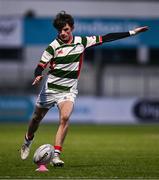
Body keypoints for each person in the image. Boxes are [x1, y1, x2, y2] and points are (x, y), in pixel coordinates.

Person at [20, 11, 148, 166]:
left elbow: (107, 37)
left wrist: (132, 32)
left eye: (66, 30)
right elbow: (40, 66)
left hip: (68, 91)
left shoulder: (82, 41)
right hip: (50, 89)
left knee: (65, 118)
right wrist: (38, 75)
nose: (63, 33)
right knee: (35, 119)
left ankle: (56, 156)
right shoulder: (52, 47)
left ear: (72, 28)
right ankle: (27, 141)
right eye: (60, 31)